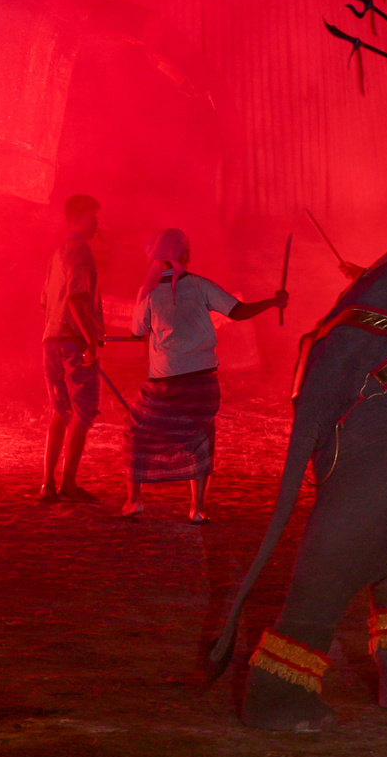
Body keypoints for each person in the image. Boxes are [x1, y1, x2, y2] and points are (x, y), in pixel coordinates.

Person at [122, 228, 286, 522]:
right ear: (183, 254)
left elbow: (136, 332)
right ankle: (197, 509)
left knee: (138, 433)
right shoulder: (200, 286)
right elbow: (238, 312)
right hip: (201, 380)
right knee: (199, 438)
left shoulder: (147, 292)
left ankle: (134, 501)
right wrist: (272, 302)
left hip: (164, 380)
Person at [39, 194, 104, 503]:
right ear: (75, 220)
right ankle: (68, 484)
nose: (97, 224)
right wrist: (89, 339)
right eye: (93, 218)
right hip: (72, 342)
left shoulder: (56, 254)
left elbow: (44, 302)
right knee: (84, 409)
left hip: (50, 339)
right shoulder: (80, 250)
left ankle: (47, 484)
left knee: (61, 411)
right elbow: (76, 297)